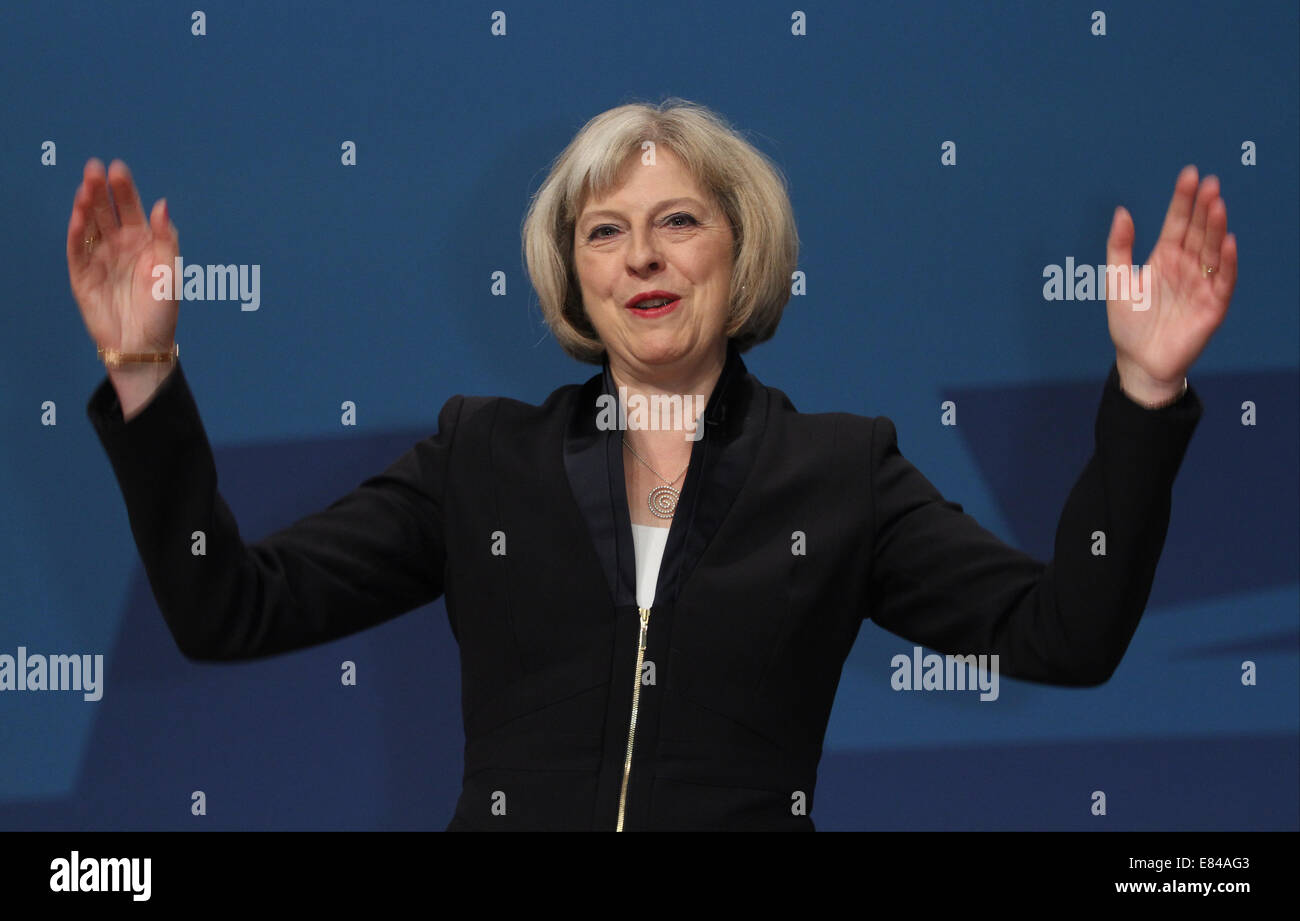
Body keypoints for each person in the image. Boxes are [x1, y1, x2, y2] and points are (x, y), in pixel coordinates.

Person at [69, 98, 1236, 831]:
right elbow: (228, 608)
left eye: (679, 221)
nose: (642, 256)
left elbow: (1064, 636)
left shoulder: (838, 473)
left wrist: (1143, 397)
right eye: (604, 230)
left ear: (743, 249)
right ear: (571, 274)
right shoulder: (482, 458)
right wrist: (144, 372)